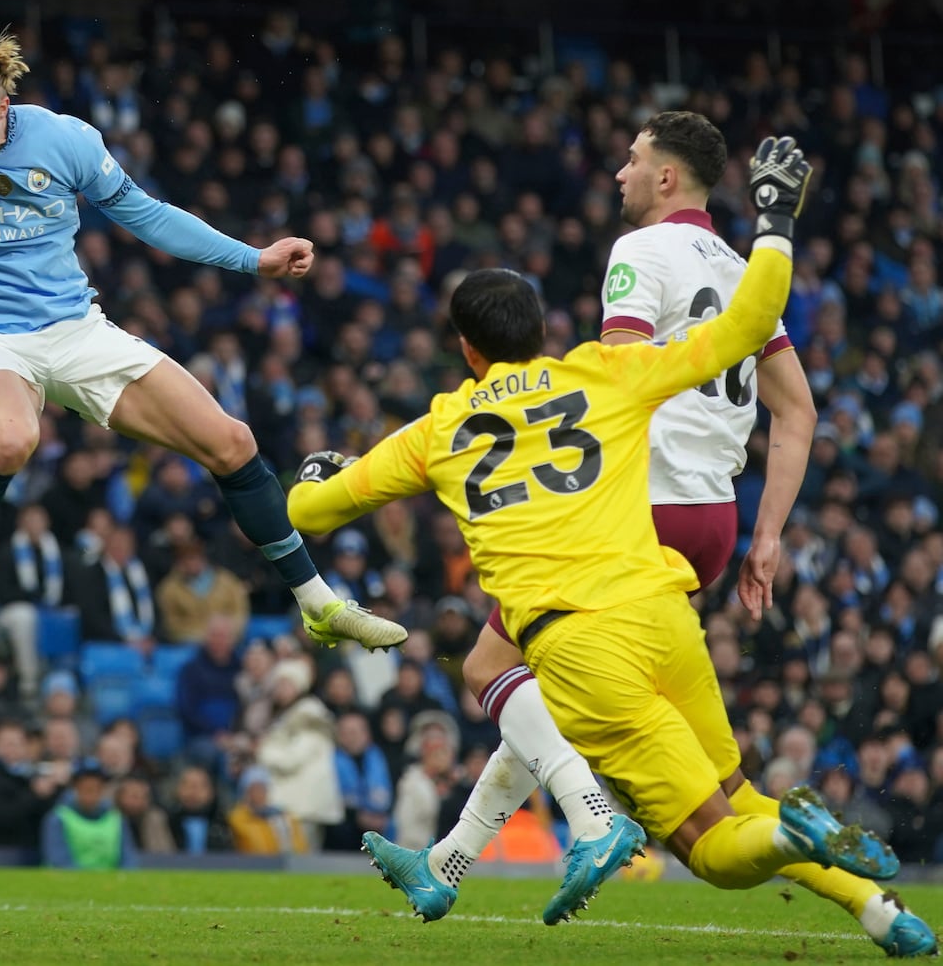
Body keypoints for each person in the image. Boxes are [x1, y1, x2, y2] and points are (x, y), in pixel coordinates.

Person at [289, 139, 921, 940]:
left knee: (705, 838)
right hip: (681, 564)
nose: (620, 172)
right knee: (718, 779)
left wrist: (314, 474)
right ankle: (874, 906)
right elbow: (770, 358)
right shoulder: (606, 371)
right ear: (545, 329)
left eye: (631, 159)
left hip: (605, 585)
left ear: (466, 348)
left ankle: (591, 820)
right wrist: (774, 222)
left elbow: (309, 512)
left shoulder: (440, 427)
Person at [0, 34, 405, 666]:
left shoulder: (65, 140)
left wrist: (253, 259)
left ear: (4, 107)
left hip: (76, 329)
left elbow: (148, 216)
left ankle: (319, 602)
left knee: (233, 443)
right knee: (9, 441)